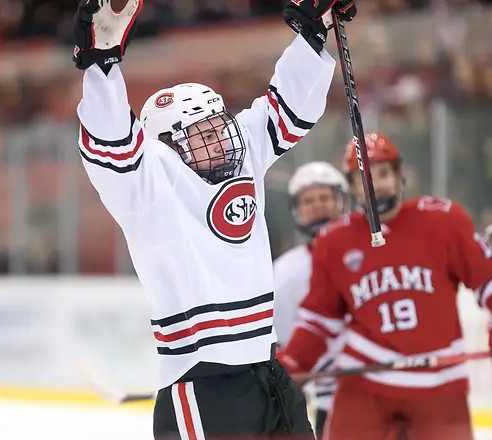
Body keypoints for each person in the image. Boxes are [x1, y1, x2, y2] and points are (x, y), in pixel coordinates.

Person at [72, 0, 357, 438]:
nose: (223, 138)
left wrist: (312, 31)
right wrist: (101, 63)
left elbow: (290, 107)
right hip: (203, 383)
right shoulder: (147, 184)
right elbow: (109, 139)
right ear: (167, 143)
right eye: (205, 132)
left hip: (268, 370)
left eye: (220, 125)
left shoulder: (240, 152)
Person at [278, 132, 492, 440]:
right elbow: (320, 319)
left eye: (383, 174)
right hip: (366, 385)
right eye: (364, 177)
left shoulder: (444, 221)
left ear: (398, 175)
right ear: (351, 186)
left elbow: (487, 279)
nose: (375, 184)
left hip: (439, 387)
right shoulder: (334, 241)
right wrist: (293, 363)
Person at [273, 161, 349, 439]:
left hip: (379, 389)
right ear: (297, 209)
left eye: (325, 197)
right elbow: (283, 344)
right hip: (329, 403)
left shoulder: (370, 251)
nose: (318, 205)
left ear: (342, 200)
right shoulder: (284, 272)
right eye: (309, 200)